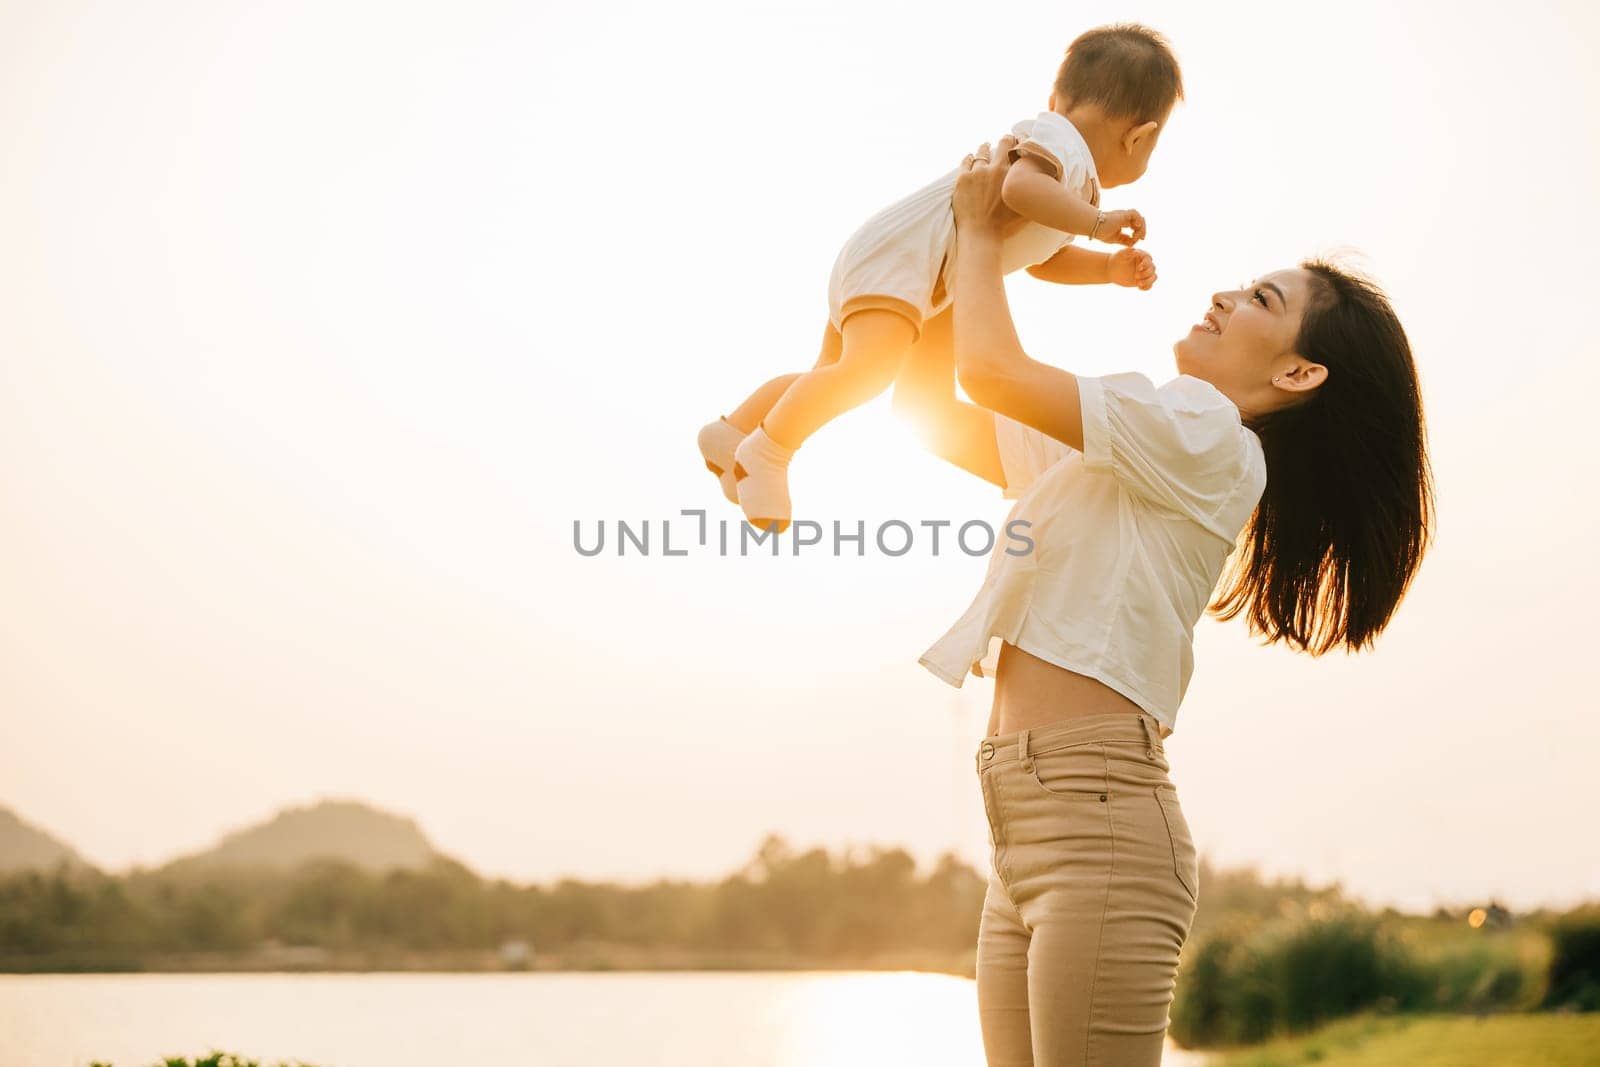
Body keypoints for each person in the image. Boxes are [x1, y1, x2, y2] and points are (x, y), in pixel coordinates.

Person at [890, 134, 1434, 1066]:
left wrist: (983, 238)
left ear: (1298, 374)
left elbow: (991, 371)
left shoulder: (1209, 438)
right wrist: (974, 235)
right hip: (1023, 823)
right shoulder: (1136, 440)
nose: (1225, 294)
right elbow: (933, 406)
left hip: (1099, 826)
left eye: (1263, 299)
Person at [696, 23, 1181, 532]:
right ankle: (768, 455)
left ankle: (733, 432)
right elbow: (1018, 189)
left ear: (1057, 96)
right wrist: (1099, 226)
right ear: (1139, 137)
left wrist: (1106, 269)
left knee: (833, 372)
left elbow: (1038, 259)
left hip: (896, 262)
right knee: (866, 373)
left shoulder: (1070, 182)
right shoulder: (1063, 144)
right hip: (905, 261)